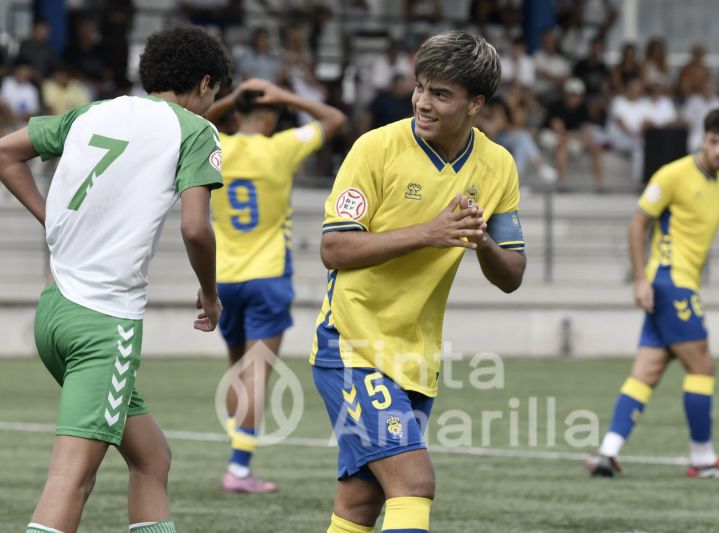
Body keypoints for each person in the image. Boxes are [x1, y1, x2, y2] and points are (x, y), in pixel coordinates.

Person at [0, 25, 230, 532]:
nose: (213, 105)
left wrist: (52, 218)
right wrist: (210, 296)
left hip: (54, 312)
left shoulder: (96, 111)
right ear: (206, 83)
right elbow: (196, 227)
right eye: (215, 94)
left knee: (152, 458)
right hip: (103, 324)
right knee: (72, 482)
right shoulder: (195, 130)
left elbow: (5, 152)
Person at [310, 31, 525, 533]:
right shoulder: (376, 148)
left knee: (361, 502)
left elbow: (512, 275)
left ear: (476, 104)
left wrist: (480, 240)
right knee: (413, 483)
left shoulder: (498, 166)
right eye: (421, 87)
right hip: (352, 344)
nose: (423, 103)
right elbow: (334, 248)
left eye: (441, 94)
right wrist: (429, 233)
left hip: (415, 356)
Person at [585, 109, 719, 479]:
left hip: (679, 284)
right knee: (703, 366)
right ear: (703, 138)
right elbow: (638, 224)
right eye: (713, 141)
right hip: (669, 281)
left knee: (647, 371)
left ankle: (607, 452)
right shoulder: (673, 175)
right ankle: (703, 459)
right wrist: (640, 279)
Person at [204, 77, 345, 494]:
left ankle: (238, 449)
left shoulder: (217, 146)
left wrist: (230, 99)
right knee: (257, 373)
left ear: (234, 115)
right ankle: (240, 468)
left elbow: (189, 120)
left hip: (223, 277)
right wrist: (284, 95)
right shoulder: (281, 146)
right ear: (268, 117)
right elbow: (334, 118)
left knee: (237, 370)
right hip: (267, 276)